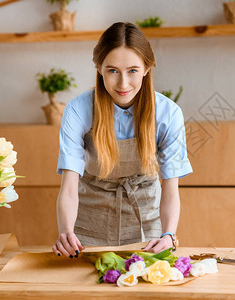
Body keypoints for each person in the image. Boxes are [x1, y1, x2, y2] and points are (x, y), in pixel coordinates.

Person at [52, 22, 192, 257]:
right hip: (88, 222)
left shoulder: (168, 114)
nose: (123, 84)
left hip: (147, 223)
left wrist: (168, 235)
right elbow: (69, 186)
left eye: (133, 71)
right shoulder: (78, 110)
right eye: (113, 71)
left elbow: (170, 187)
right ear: (99, 68)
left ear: (147, 68)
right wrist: (66, 232)